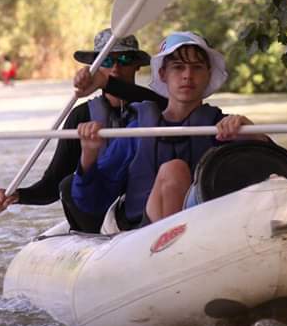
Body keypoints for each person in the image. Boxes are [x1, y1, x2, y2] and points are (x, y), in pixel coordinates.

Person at [72, 31, 266, 231]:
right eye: (178, 67)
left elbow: (276, 182)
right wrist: (89, 154)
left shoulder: (225, 128)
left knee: (177, 170)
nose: (187, 76)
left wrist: (254, 135)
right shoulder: (137, 131)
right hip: (143, 233)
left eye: (197, 68)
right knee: (174, 170)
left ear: (208, 74)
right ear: (163, 74)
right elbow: (91, 203)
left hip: (208, 231)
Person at [0, 29, 164, 232]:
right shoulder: (80, 115)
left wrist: (106, 82)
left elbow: (164, 103)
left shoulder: (156, 106)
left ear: (136, 65)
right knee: (68, 184)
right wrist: (17, 195)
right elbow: (53, 184)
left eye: (124, 59)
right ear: (95, 67)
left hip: (145, 207)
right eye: (106, 61)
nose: (116, 68)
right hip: (99, 212)